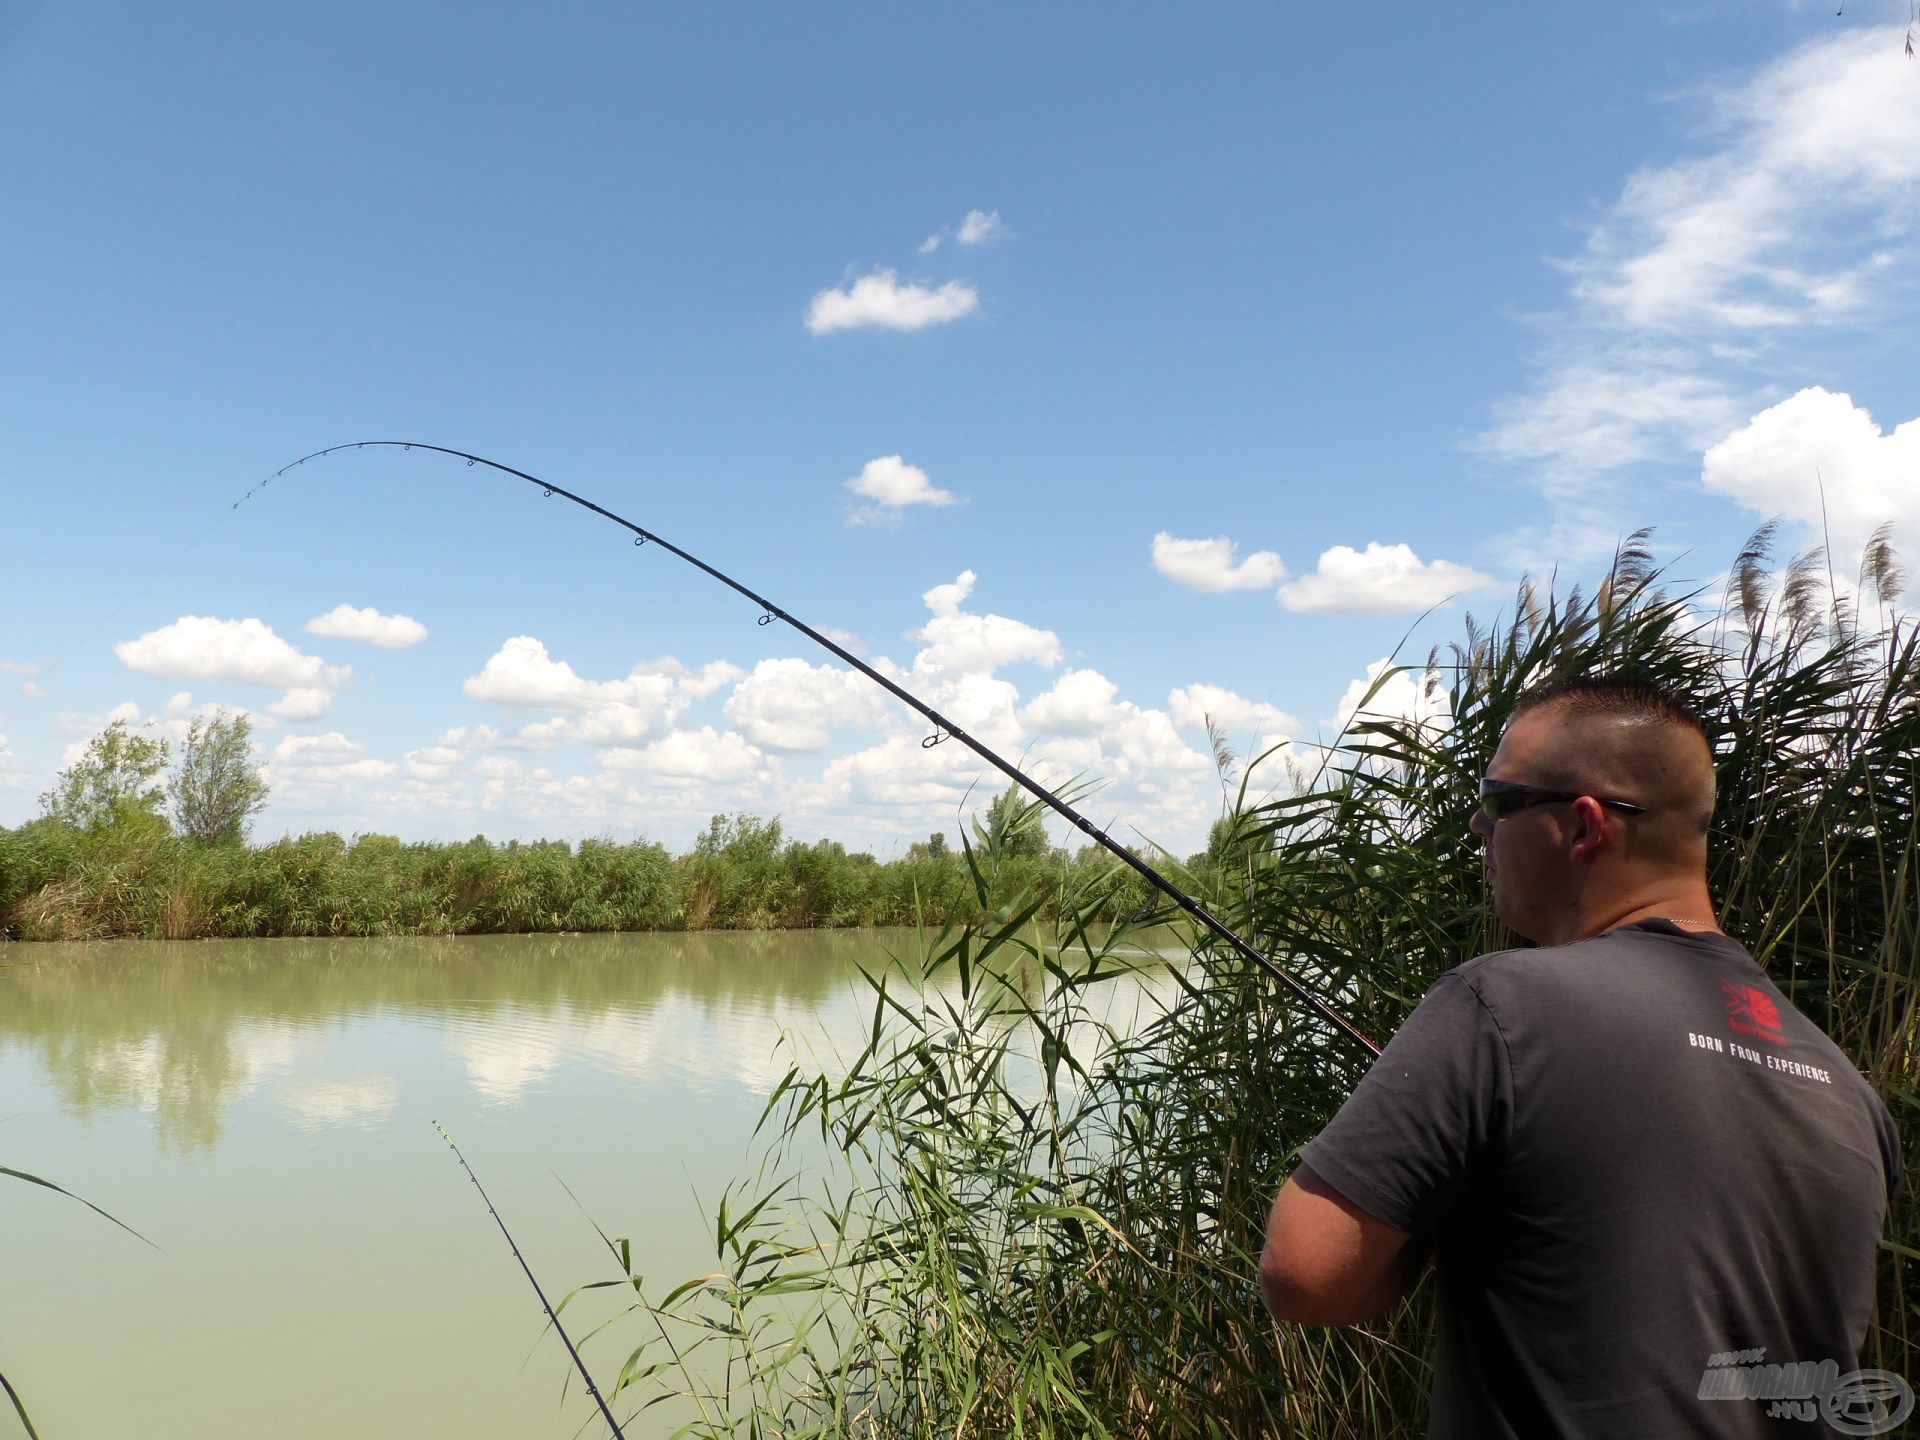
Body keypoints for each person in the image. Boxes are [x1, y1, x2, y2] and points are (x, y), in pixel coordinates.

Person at [1259, 676, 1905, 1438]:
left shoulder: (1503, 1006)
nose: (1476, 825)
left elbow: (1307, 1276)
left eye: (1499, 802)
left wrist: (1435, 1206)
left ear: (1584, 826)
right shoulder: (1850, 1091)